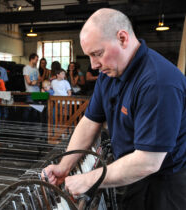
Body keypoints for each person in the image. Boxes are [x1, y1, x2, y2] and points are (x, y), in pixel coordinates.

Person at [42, 8, 186, 210]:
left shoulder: (158, 82)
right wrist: (64, 166)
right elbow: (90, 121)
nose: (93, 65)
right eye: (89, 56)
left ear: (122, 38)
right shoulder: (109, 75)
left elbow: (149, 161)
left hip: (165, 185)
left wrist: (90, 179)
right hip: (131, 175)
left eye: (97, 54)